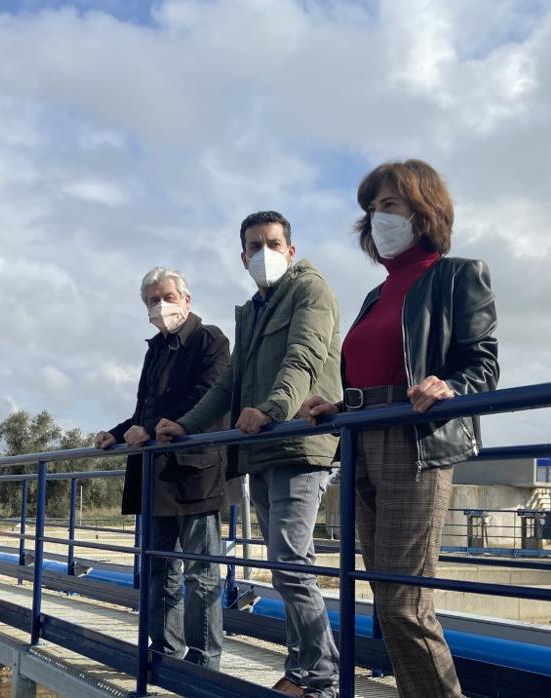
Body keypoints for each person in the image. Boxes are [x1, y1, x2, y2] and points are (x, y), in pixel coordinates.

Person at [299, 159, 499, 698]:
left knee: (404, 602)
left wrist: (447, 385)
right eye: (371, 210)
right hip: (361, 437)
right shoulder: (375, 295)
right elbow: (377, 368)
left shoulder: (458, 275)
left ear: (423, 209)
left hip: (417, 443)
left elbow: (484, 364)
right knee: (384, 596)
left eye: (388, 205)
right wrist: (336, 407)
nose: (376, 218)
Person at [155, 211, 342, 698]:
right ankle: (300, 669)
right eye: (255, 246)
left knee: (290, 562)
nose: (265, 253)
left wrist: (273, 409)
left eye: (274, 243)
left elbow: (305, 355)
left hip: (299, 441)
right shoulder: (253, 309)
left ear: (291, 249)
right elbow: (230, 383)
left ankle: (321, 678)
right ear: (242, 257)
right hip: (260, 448)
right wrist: (187, 425)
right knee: (283, 564)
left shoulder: (310, 291)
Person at [93, 267, 236, 669]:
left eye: (168, 296)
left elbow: (207, 396)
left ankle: (205, 661)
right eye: (152, 300)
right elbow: (145, 410)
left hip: (195, 471)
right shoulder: (154, 348)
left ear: (186, 300)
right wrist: (117, 432)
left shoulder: (211, 339)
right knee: (160, 570)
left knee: (201, 573)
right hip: (154, 475)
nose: (160, 305)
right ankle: (165, 652)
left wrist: (151, 428)